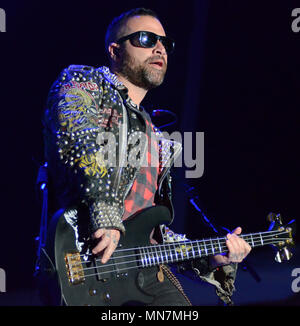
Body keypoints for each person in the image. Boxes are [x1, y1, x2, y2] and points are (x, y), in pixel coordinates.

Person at [42, 7, 251, 306]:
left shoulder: (158, 137)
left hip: (145, 278)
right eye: (145, 38)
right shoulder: (83, 81)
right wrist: (105, 212)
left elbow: (152, 233)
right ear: (114, 50)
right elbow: (78, 136)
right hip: (83, 262)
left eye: (165, 43)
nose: (159, 48)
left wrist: (211, 257)